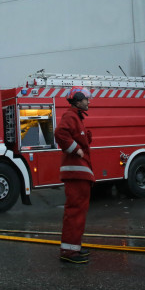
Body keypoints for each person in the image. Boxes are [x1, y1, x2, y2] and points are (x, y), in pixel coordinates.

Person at [54, 86, 94, 264]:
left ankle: (73, 248)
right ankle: (69, 253)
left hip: (80, 173)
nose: (88, 101)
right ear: (78, 99)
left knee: (78, 212)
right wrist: (76, 149)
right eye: (86, 98)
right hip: (76, 173)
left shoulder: (76, 117)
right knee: (75, 211)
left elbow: (74, 135)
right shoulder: (71, 116)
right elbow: (60, 133)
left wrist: (85, 138)